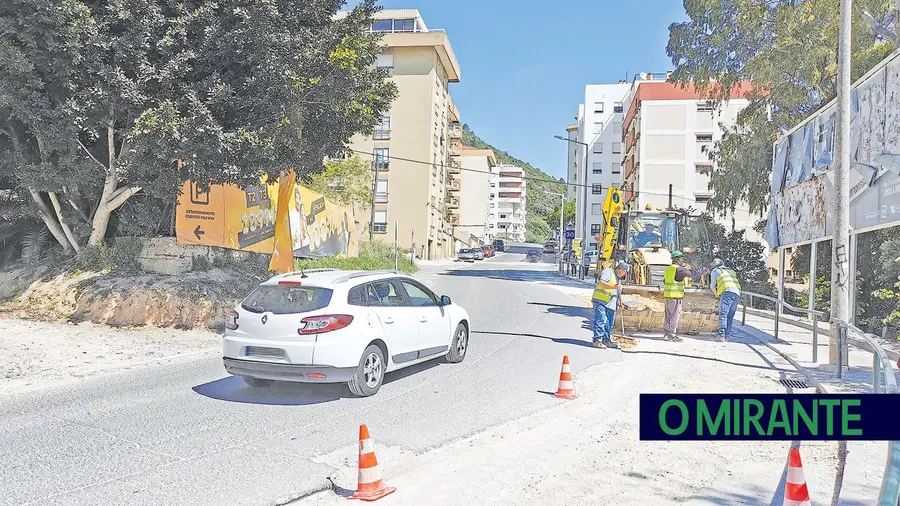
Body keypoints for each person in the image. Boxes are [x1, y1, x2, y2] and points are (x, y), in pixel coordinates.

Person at [662, 251, 710, 342]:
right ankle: (672, 335)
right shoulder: (679, 269)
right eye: (681, 258)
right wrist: (703, 270)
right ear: (676, 259)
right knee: (674, 316)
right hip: (676, 296)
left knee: (668, 316)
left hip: (668, 295)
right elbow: (693, 274)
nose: (682, 260)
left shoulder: (668, 269)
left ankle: (667, 334)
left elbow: (665, 281)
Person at [591, 260, 630, 349]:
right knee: (601, 320)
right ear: (620, 269)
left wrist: (619, 302)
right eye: (624, 272)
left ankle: (606, 340)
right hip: (601, 300)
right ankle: (597, 340)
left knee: (609, 323)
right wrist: (614, 287)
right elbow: (601, 282)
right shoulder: (608, 272)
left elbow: (617, 291)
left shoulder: (618, 279)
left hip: (611, 304)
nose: (624, 274)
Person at [710, 261, 742, 342]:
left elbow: (712, 285)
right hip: (737, 292)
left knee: (723, 313)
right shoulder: (731, 271)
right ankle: (727, 336)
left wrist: (716, 294)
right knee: (730, 315)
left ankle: (721, 335)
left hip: (727, 291)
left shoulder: (715, 271)